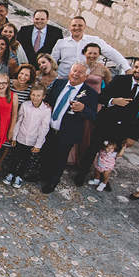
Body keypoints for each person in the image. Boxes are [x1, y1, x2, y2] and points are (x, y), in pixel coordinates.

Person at [74, 57, 139, 186]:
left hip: (123, 128)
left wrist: (133, 136)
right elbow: (102, 97)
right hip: (105, 122)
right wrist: (113, 101)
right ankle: (81, 174)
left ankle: (103, 179)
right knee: (92, 149)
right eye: (136, 67)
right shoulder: (120, 80)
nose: (138, 70)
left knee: (111, 154)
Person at [39, 63, 99, 194]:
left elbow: (94, 115)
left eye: (80, 72)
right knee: (46, 153)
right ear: (70, 71)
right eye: (74, 70)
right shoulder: (59, 83)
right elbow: (49, 99)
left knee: (60, 158)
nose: (76, 74)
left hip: (68, 132)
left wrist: (83, 109)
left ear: (86, 76)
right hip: (49, 128)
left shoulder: (91, 94)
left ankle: (53, 181)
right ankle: (41, 175)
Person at [2, 85, 50, 187]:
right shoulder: (25, 105)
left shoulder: (46, 110)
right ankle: (11, 173)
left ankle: (19, 176)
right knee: (15, 157)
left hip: (32, 140)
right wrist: (14, 136)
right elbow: (19, 121)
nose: (35, 97)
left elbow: (44, 128)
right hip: (20, 137)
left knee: (26, 160)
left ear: (43, 97)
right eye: (33, 95)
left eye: (38, 95)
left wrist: (38, 144)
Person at [50, 16, 130, 78]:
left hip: (84, 79)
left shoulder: (94, 40)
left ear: (85, 27)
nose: (77, 28)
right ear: (70, 27)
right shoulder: (61, 43)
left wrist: (127, 68)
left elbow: (111, 53)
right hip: (63, 77)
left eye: (80, 25)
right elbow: (52, 61)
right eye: (74, 25)